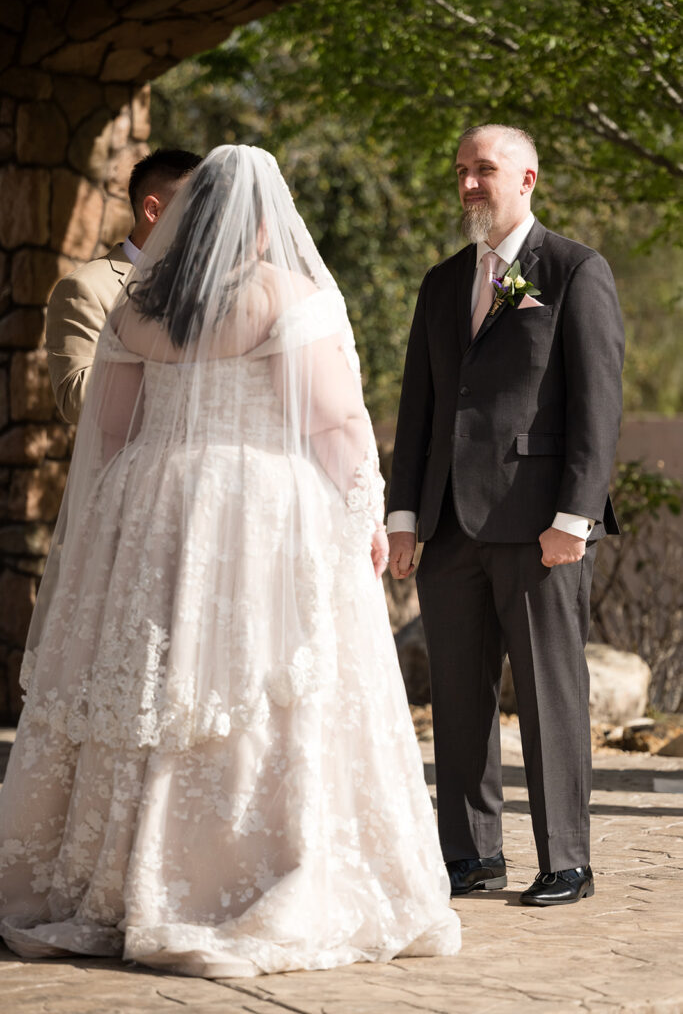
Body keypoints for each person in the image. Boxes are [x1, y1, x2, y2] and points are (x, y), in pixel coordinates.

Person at [0, 145, 460, 976]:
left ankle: (115, 873)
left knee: (149, 681)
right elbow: (335, 424)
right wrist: (364, 509)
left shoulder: (140, 304)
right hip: (260, 507)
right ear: (258, 219)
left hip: (150, 499)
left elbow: (108, 427)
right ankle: (246, 870)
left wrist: (112, 522)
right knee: (260, 681)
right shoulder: (295, 295)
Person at [387, 124, 624, 907]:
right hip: (449, 524)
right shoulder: (440, 282)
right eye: (458, 170)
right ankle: (470, 855)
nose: (465, 184)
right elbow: (418, 408)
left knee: (550, 692)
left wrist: (575, 516)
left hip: (538, 525)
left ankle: (566, 861)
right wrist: (402, 518)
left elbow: (597, 406)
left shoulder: (574, 271)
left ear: (526, 178)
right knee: (457, 698)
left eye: (480, 170)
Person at [46, 148, 202, 423]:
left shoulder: (210, 282)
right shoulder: (84, 288)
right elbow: (75, 399)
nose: (207, 223)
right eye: (196, 209)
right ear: (153, 209)